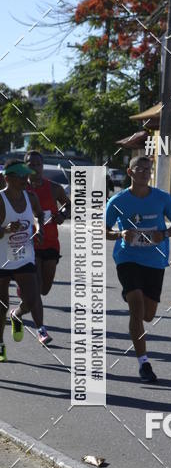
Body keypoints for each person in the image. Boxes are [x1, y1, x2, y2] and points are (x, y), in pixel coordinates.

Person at [105, 155, 171, 383]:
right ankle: (144, 363)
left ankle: (132, 294)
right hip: (127, 258)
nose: (144, 173)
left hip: (155, 261)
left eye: (148, 170)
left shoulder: (162, 198)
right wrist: (120, 235)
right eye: (139, 169)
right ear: (130, 172)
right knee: (137, 308)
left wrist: (165, 234)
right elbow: (102, 230)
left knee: (148, 315)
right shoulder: (118, 201)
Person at [0, 159, 48, 360]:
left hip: (24, 256)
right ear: (7, 178)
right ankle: (0, 345)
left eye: (26, 175)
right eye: (20, 176)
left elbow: (38, 216)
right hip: (2, 259)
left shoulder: (31, 197)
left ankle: (17, 314)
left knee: (32, 298)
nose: (25, 179)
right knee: (1, 305)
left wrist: (39, 229)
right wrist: (4, 230)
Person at [24, 150, 71, 302]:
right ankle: (25, 309)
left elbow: (68, 205)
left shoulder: (54, 188)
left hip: (51, 242)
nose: (35, 167)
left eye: (38, 164)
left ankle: (26, 296)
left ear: (42, 166)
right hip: (29, 242)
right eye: (31, 164)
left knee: (45, 289)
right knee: (35, 288)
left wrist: (62, 215)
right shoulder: (20, 188)